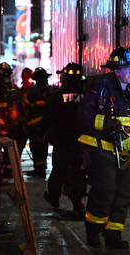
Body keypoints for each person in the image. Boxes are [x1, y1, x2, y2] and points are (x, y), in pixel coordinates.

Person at [77, 46, 130, 249]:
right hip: (103, 148)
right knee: (105, 190)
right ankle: (93, 231)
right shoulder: (101, 89)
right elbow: (84, 115)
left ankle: (113, 235)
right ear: (116, 70)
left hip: (128, 153)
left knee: (124, 195)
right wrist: (108, 123)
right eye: (128, 68)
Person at [42, 62, 87, 218]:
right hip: (82, 142)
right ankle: (77, 202)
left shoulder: (56, 96)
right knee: (79, 173)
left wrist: (44, 135)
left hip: (62, 141)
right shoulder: (87, 95)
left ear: (65, 78)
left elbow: (48, 117)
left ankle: (54, 198)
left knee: (58, 170)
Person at [24, 67, 54, 178]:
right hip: (47, 125)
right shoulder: (51, 91)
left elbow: (26, 107)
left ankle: (39, 170)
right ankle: (41, 168)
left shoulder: (32, 91)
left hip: (35, 126)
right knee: (43, 148)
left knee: (36, 148)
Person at [0, 62, 24, 177]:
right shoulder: (13, 89)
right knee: (9, 151)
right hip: (8, 125)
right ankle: (7, 170)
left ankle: (4, 170)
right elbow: (14, 112)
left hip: (0, 124)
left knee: (1, 150)